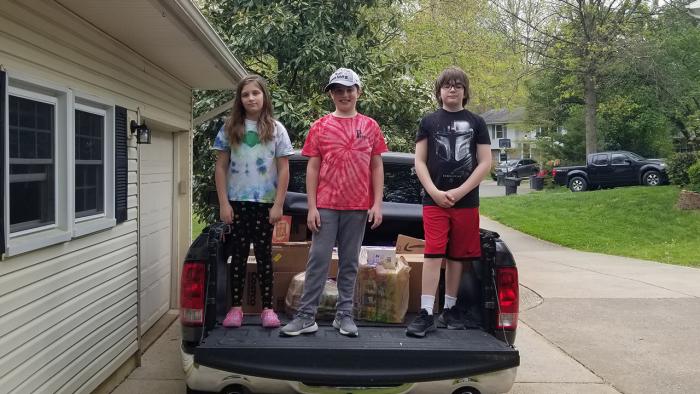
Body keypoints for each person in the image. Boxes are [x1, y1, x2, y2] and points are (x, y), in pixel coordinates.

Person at [280, 68, 388, 337]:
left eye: (349, 89)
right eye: (338, 90)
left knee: (350, 261)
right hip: (326, 205)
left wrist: (377, 203)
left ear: (358, 92)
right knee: (318, 259)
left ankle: (345, 315)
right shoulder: (320, 126)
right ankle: (306, 316)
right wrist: (312, 206)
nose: (344, 95)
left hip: (357, 206)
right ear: (331, 94)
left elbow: (376, 166)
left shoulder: (370, 126)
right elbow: (313, 169)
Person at [406, 66, 492, 337]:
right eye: (447, 85)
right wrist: (433, 191)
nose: (452, 89)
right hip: (434, 201)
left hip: (466, 202)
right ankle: (426, 313)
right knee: (433, 253)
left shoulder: (477, 123)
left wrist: (461, 191)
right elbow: (419, 160)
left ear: (465, 92)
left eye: (458, 85)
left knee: (457, 257)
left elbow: (485, 162)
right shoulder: (429, 122)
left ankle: (450, 309)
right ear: (439, 91)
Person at [213, 74, 294, 328]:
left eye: (255, 93)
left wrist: (278, 204)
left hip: (265, 204)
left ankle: (268, 309)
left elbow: (283, 169)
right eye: (245, 94)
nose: (251, 98)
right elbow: (220, 167)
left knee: (263, 256)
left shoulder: (276, 129)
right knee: (237, 255)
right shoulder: (229, 128)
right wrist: (224, 203)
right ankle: (235, 308)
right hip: (236, 203)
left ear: (264, 96)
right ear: (240, 99)